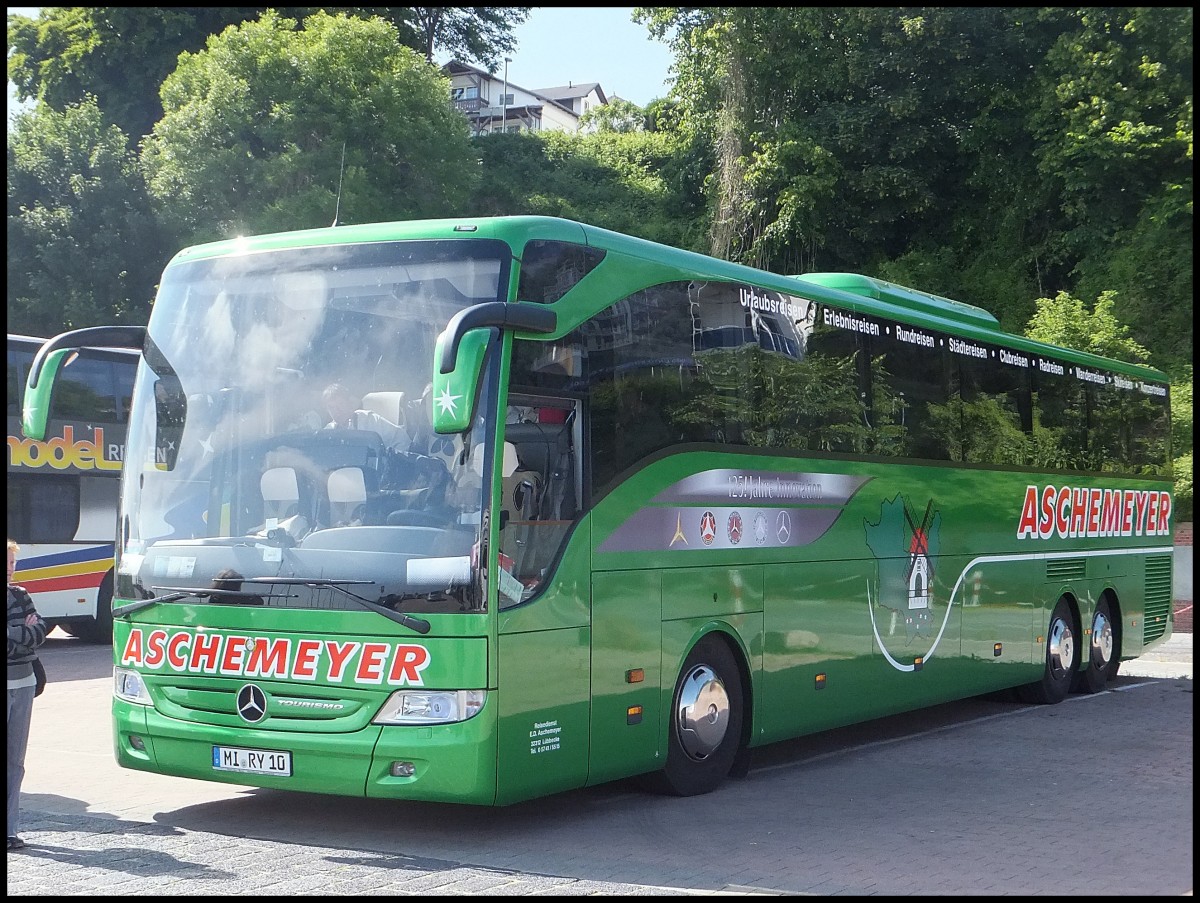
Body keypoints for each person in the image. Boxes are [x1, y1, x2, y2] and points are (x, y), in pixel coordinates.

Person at [7, 539, 47, 852]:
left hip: (24, 683)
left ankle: (10, 830)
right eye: (6, 563)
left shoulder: (21, 595)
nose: (10, 570)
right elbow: (28, 635)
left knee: (15, 763)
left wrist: (21, 635)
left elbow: (41, 632)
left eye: (13, 564)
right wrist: (25, 633)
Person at [322, 383, 410, 451]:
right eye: (331, 407)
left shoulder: (368, 420)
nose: (337, 411)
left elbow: (401, 438)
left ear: (349, 403)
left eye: (340, 404)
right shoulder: (327, 432)